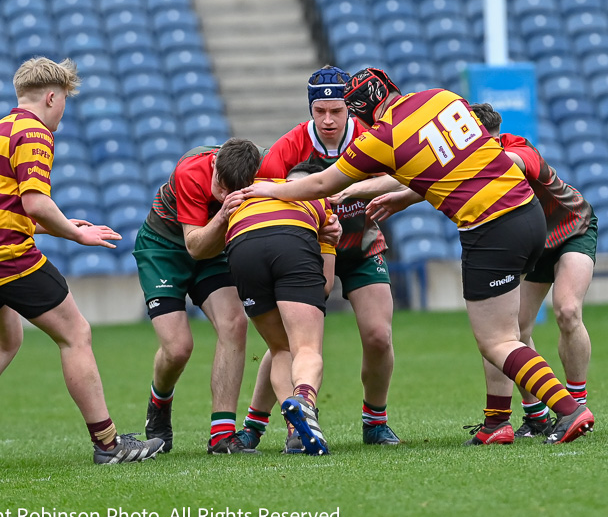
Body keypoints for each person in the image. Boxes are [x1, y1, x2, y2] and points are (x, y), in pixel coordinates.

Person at [236, 67, 595, 444]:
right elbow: (455, 163)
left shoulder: (381, 137)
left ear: (360, 112)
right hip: (528, 214)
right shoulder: (442, 97)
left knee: (498, 341)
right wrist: (406, 196)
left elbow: (323, 182)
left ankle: (568, 409)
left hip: (489, 228)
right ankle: (498, 424)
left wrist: (268, 191)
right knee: (510, 333)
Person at [0, 57, 163, 469]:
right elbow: (35, 202)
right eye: (65, 100)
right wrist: (77, 234)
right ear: (52, 97)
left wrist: (61, 226)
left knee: (4, 341)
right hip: (0, 250)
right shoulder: (35, 131)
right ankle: (108, 443)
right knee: (76, 333)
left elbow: (1, 205)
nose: (63, 111)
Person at [251, 65, 400, 447]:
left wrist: (362, 192)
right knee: (286, 343)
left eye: (337, 110)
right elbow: (265, 195)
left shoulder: (372, 138)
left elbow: (403, 175)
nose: (329, 119)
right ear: (311, 110)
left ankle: (375, 422)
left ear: (350, 108)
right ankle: (256, 425)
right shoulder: (289, 147)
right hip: (309, 251)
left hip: (362, 245)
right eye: (320, 111)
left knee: (379, 336)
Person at [464, 103, 597, 444]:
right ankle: (536, 414)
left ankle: (575, 404)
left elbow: (514, 162)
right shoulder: (467, 164)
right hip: (534, 241)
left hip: (572, 227)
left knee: (568, 310)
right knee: (515, 331)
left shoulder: (518, 147)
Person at [133, 137, 264, 455]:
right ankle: (159, 402)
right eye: (219, 185)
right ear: (215, 163)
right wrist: (222, 215)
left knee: (235, 323)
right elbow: (194, 246)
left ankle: (222, 435)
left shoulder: (261, 166)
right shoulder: (191, 171)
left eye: (231, 191)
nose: (221, 194)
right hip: (164, 249)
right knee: (178, 349)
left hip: (213, 252)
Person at [222, 156, 338, 455]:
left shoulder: (249, 190)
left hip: (242, 245)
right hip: (291, 242)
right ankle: (304, 401)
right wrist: (329, 243)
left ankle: (295, 433)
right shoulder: (319, 200)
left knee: (280, 348)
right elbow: (324, 286)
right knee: (305, 347)